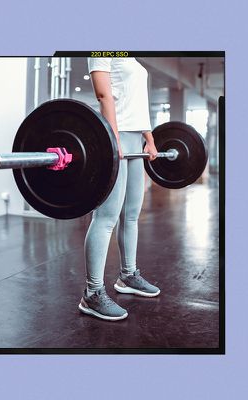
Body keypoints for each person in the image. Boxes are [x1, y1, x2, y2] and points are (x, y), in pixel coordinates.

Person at [78, 57, 161, 321]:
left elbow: (138, 102)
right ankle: (92, 293)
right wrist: (113, 140)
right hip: (116, 136)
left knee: (132, 213)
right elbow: (103, 95)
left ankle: (128, 276)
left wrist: (149, 138)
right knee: (106, 217)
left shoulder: (129, 56)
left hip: (135, 137)